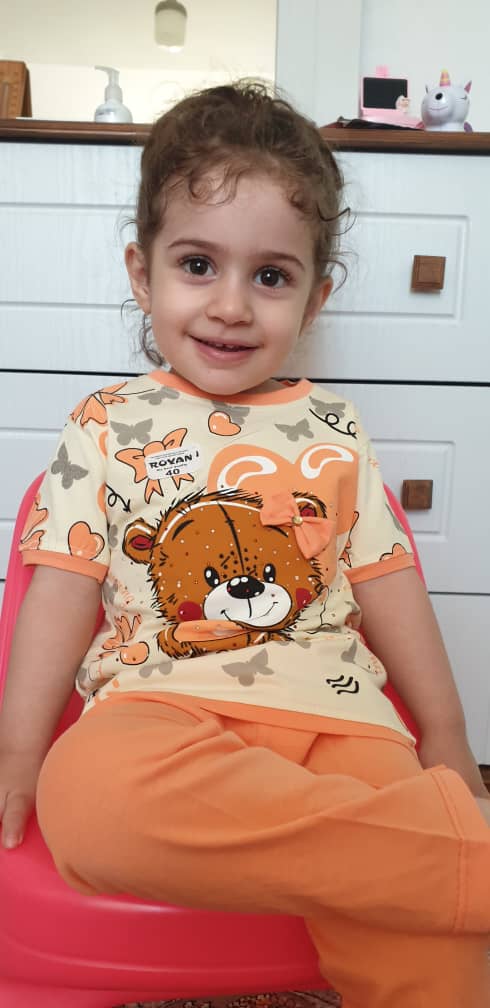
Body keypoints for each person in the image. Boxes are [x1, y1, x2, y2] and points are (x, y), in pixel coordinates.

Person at [0, 81, 488, 1008]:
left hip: (340, 720)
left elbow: (392, 586)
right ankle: (455, 858)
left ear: (315, 296)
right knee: (87, 799)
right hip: (159, 709)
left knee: (430, 948)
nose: (231, 305)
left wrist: (449, 735)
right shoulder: (105, 425)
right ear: (142, 272)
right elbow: (57, 590)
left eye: (271, 276)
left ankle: (435, 859)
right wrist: (19, 749)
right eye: (198, 265)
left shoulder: (336, 430)